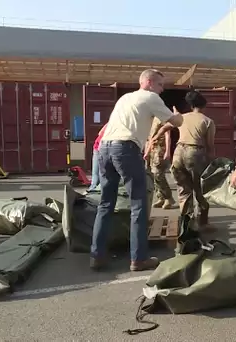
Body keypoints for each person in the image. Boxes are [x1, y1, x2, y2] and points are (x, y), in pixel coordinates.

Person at [90, 69, 183, 272]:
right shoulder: (151, 97)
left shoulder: (125, 98)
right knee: (138, 205)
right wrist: (178, 115)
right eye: (160, 84)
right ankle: (138, 259)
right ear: (149, 82)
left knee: (106, 204)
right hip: (125, 148)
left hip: (104, 149)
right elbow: (175, 123)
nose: (162, 89)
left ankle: (97, 255)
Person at [151, 90, 215, 229]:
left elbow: (165, 127)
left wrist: (154, 138)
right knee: (200, 189)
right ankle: (203, 223)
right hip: (195, 153)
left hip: (179, 153)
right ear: (204, 106)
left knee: (184, 190)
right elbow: (210, 145)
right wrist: (211, 163)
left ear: (191, 105)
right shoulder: (208, 121)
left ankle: (187, 225)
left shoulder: (182, 117)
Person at [144, 117, 176, 209]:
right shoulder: (150, 118)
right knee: (153, 175)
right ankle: (161, 197)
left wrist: (167, 151)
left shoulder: (162, 118)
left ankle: (168, 197)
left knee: (158, 174)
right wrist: (147, 151)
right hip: (151, 148)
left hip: (160, 149)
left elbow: (167, 135)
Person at [87, 123, 108, 192]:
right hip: (100, 148)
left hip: (98, 147)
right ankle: (94, 190)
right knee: (100, 173)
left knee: (97, 173)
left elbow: (100, 133)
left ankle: (93, 189)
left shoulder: (109, 124)